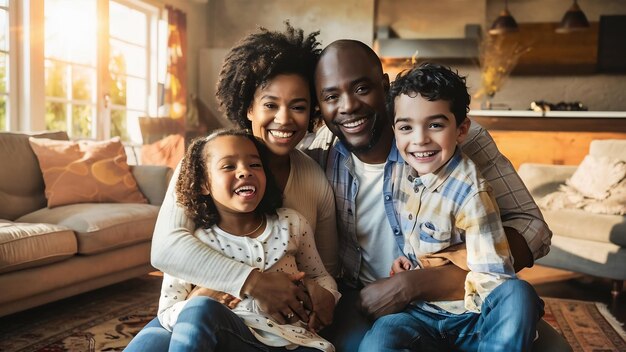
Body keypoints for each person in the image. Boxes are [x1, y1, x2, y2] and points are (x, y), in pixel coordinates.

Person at [305, 39, 569, 351]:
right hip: (372, 303)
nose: (348, 106)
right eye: (331, 96)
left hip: (466, 297)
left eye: (362, 89)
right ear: (319, 106)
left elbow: (533, 228)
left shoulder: (457, 144)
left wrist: (422, 281)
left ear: (385, 88)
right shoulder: (318, 151)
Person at [125, 24, 339, 351]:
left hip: (283, 328)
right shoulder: (201, 166)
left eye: (298, 106)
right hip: (208, 310)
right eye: (270, 105)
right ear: (248, 107)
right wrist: (248, 284)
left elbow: (326, 268)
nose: (284, 119)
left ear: (311, 112)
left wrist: (320, 292)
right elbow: (166, 249)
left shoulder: (313, 180)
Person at [355, 63, 543, 351]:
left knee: (517, 294)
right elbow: (418, 242)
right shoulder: (403, 173)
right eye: (406, 127)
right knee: (380, 338)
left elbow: (493, 277)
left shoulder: (471, 192)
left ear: (461, 129)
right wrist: (408, 264)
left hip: (470, 317)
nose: (420, 139)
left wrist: (431, 281)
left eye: (435, 125)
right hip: (419, 315)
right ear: (394, 130)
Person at [154, 129, 339, 351]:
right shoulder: (194, 244)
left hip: (295, 342)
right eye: (228, 166)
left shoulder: (291, 223)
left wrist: (325, 294)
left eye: (255, 165)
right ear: (203, 184)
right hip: (233, 341)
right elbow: (167, 311)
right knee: (199, 308)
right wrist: (199, 302)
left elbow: (320, 274)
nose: (245, 172)